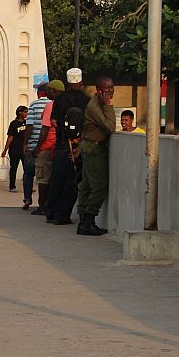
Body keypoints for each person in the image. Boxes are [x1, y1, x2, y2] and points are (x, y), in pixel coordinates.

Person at [45, 68, 90, 225]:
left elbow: (53, 122)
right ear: (81, 82)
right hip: (77, 147)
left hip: (62, 145)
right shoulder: (86, 100)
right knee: (72, 182)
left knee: (57, 179)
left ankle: (50, 212)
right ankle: (62, 215)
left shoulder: (60, 99)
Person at [77, 77, 116, 236]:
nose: (110, 91)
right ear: (99, 90)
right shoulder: (94, 106)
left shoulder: (96, 104)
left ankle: (83, 222)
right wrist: (108, 106)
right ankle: (88, 219)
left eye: (112, 87)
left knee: (86, 185)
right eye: (107, 89)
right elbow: (111, 126)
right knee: (99, 186)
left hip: (90, 146)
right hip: (93, 147)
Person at [30, 80, 63, 216]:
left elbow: (45, 129)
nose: (46, 93)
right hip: (58, 146)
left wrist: (37, 147)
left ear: (54, 91)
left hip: (47, 145)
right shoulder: (63, 104)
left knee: (43, 178)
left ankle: (42, 206)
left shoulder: (50, 106)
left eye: (48, 90)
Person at [20, 83, 48, 210]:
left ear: (40, 93)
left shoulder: (34, 105)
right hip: (47, 146)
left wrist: (25, 143)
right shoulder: (53, 104)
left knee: (28, 174)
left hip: (33, 145)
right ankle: (44, 202)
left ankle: (27, 199)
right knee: (45, 177)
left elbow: (29, 126)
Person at [0, 105, 29, 193]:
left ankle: (28, 187)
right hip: (14, 149)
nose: (26, 113)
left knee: (27, 169)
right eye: (25, 112)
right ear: (20, 113)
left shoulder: (27, 123)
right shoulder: (14, 124)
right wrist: (5, 150)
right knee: (14, 168)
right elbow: (10, 137)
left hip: (24, 149)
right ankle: (12, 186)